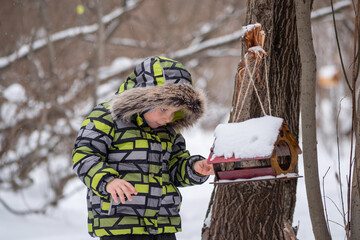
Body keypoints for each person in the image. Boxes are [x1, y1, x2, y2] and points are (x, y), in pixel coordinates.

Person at [72, 56, 214, 240]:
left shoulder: (168, 130)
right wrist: (107, 181)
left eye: (175, 112)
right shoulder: (105, 117)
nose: (168, 118)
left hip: (162, 224)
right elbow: (84, 155)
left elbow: (174, 166)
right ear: (143, 99)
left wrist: (194, 168)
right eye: (163, 109)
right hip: (120, 223)